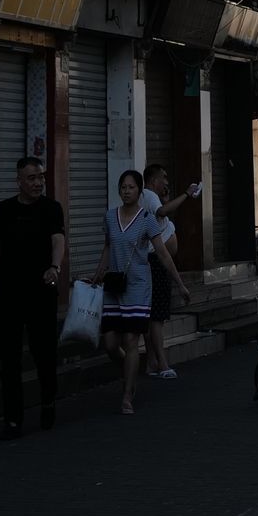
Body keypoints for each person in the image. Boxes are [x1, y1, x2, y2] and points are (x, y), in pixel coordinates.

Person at [0, 153, 66, 440]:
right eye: (32, 178)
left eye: (41, 177)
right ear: (19, 181)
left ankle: (48, 401)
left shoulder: (51, 208)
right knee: (9, 358)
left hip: (42, 293)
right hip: (10, 294)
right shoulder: (4, 210)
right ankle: (13, 420)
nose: (38, 183)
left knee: (44, 353)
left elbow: (58, 239)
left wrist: (55, 267)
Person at [91, 167, 161, 415]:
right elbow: (107, 247)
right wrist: (98, 273)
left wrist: (180, 282)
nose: (127, 191)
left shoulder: (147, 219)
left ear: (139, 191)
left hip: (138, 287)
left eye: (131, 187)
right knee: (111, 343)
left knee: (131, 340)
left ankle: (127, 395)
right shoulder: (110, 217)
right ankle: (130, 370)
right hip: (114, 285)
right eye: (123, 187)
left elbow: (162, 253)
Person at [138, 163, 201, 381]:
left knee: (153, 316)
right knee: (157, 317)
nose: (166, 181)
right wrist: (186, 194)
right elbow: (163, 212)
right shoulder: (148, 194)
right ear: (153, 180)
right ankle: (162, 363)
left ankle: (152, 362)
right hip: (157, 262)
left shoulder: (149, 198)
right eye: (164, 177)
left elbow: (162, 211)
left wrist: (166, 197)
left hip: (156, 261)